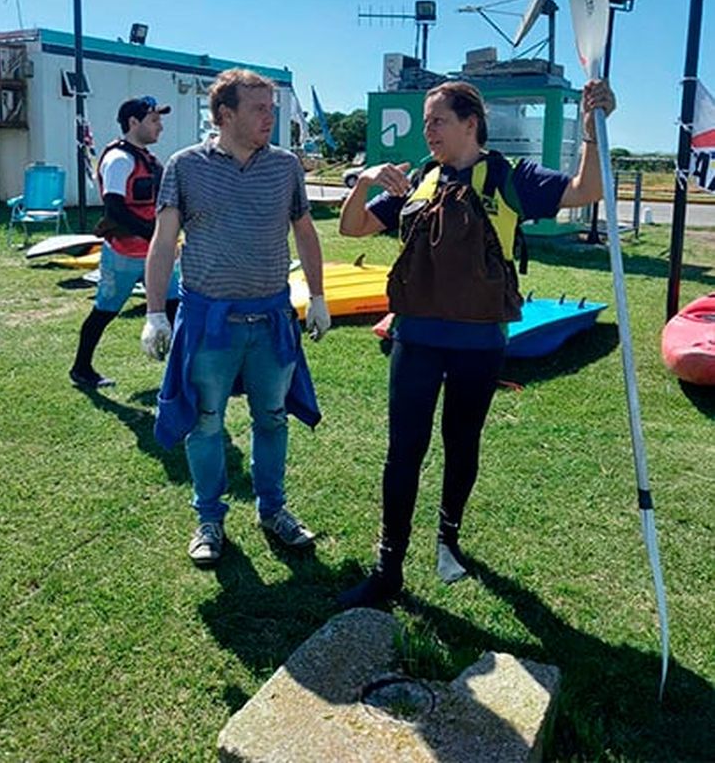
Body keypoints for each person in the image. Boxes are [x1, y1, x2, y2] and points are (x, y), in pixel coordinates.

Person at [335, 78, 615, 608]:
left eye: (437, 121)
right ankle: (388, 568)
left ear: (471, 123)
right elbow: (352, 229)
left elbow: (585, 190)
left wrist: (591, 135)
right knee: (403, 453)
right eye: (424, 122)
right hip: (415, 338)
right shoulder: (420, 179)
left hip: (479, 341)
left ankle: (448, 540)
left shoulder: (511, 177)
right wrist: (364, 181)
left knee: (461, 444)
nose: (428, 131)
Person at [142, 68, 330, 567]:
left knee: (271, 418)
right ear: (225, 115)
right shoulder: (184, 167)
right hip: (210, 323)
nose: (271, 117)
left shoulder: (286, 167)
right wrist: (156, 312)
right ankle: (209, 518)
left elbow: (305, 234)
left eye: (272, 108)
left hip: (271, 321)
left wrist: (318, 296)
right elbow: (163, 243)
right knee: (205, 424)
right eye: (260, 109)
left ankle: (273, 509)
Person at [69, 96, 180, 389]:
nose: (160, 127)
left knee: (175, 308)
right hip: (125, 254)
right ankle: (81, 368)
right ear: (134, 123)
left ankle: (180, 374)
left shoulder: (146, 158)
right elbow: (115, 209)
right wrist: (154, 236)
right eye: (154, 120)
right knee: (105, 311)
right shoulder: (119, 160)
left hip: (157, 252)